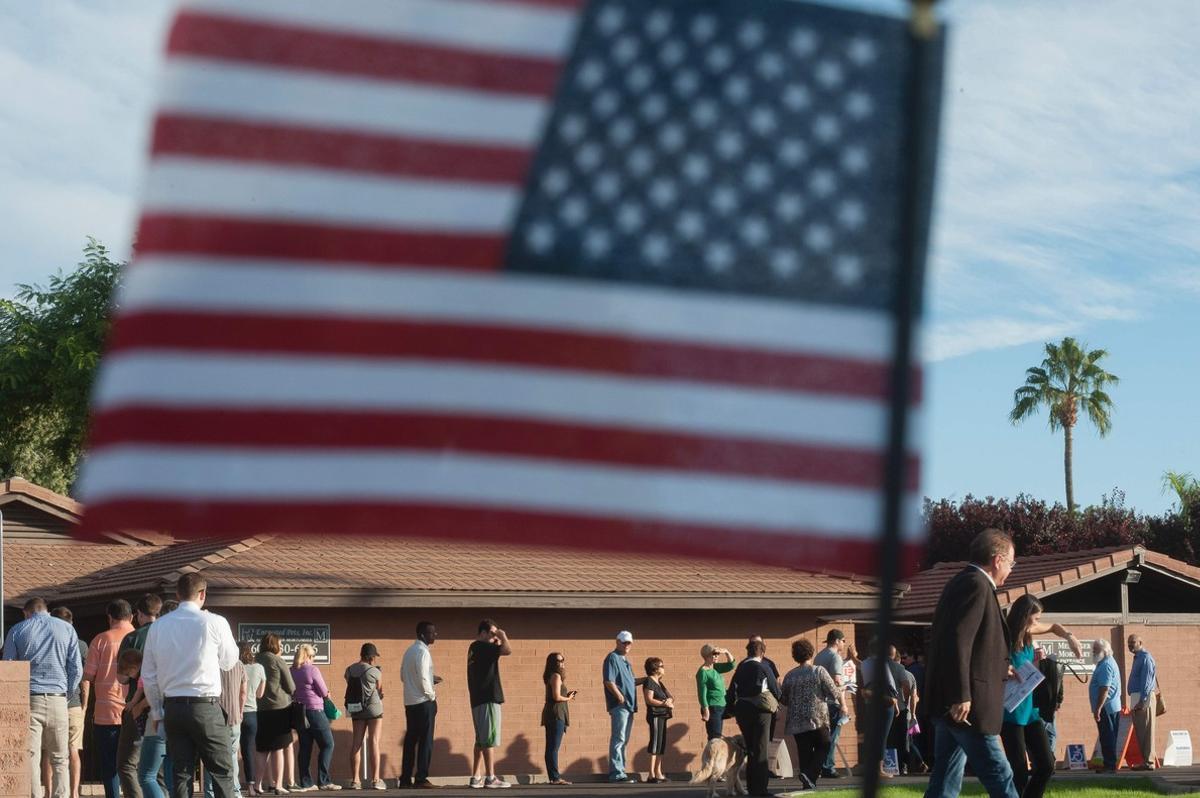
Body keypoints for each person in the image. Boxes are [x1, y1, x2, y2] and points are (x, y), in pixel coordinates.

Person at [923, 528, 1020, 798]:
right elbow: (958, 640)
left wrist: (1001, 667)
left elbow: (969, 644)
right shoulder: (976, 585)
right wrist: (961, 695)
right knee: (1000, 775)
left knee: (945, 779)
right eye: (1011, 563)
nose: (1011, 570)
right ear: (997, 559)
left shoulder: (961, 582)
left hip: (953, 705)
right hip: (968, 708)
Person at [141, 573, 240, 798]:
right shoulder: (214, 622)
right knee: (222, 771)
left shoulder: (158, 627)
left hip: (173, 706)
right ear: (203, 594)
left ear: (177, 594)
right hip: (205, 705)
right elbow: (229, 661)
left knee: (181, 772)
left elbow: (148, 674)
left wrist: (157, 713)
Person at [1000, 594, 1080, 798]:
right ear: (1025, 616)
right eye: (1035, 618)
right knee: (1018, 770)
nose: (1038, 623)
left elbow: (1054, 626)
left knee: (1046, 764)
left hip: (1031, 710)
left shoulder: (1028, 633)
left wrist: (1070, 637)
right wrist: (1003, 668)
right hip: (1010, 712)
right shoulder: (1004, 636)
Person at [3, 596, 82, 798]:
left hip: (29, 698)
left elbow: (9, 669)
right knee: (60, 758)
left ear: (26, 612)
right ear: (46, 609)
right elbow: (76, 669)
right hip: (58, 697)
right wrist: (67, 694)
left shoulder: (18, 630)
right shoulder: (67, 629)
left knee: (30, 755)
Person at [86, 599, 136, 798]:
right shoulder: (139, 637)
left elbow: (88, 675)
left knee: (109, 764)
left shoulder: (101, 639)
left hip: (105, 712)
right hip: (135, 708)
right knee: (135, 764)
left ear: (110, 618)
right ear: (131, 616)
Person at [118, 595, 163, 798]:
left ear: (139, 614)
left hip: (138, 705)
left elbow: (122, 677)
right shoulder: (167, 634)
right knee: (158, 767)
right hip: (165, 704)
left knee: (127, 763)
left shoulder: (133, 638)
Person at [780, 638, 841, 791]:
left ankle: (807, 784)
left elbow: (784, 700)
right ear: (810, 652)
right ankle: (808, 775)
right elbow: (834, 692)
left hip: (796, 721)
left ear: (795, 656)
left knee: (804, 753)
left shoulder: (789, 676)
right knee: (825, 745)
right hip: (817, 718)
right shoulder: (818, 670)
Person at [730, 638, 782, 797]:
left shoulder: (740, 668)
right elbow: (775, 689)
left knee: (751, 749)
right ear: (762, 653)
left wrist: (731, 710)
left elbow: (731, 691)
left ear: (748, 652)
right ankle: (760, 789)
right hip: (761, 711)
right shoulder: (764, 666)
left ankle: (752, 787)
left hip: (743, 711)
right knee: (761, 749)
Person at [48, 606, 89, 798]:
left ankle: (48, 792)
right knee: (73, 749)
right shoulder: (80, 645)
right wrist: (85, 704)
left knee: (50, 750)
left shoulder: (47, 642)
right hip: (74, 703)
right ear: (71, 623)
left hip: (52, 700)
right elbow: (84, 678)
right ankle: (74, 793)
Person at [467, 619, 512, 789]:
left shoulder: (474, 648)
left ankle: (475, 776)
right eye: (492, 633)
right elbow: (507, 650)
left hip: (477, 699)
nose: (494, 636)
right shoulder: (483, 647)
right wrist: (503, 636)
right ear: (483, 633)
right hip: (488, 698)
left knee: (480, 740)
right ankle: (490, 777)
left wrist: (496, 641)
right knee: (489, 739)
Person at [290, 644, 339, 791]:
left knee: (305, 747)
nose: (313, 659)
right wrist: (328, 694)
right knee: (328, 744)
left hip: (300, 712)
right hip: (315, 710)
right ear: (308, 656)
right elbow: (324, 692)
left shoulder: (291, 670)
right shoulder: (312, 669)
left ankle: (306, 782)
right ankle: (324, 781)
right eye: (312, 657)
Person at [400, 623, 441, 790]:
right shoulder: (423, 652)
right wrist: (431, 695)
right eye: (432, 632)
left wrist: (430, 680)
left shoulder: (409, 651)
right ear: (423, 634)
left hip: (410, 702)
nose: (435, 635)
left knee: (410, 741)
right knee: (426, 742)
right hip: (424, 702)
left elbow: (403, 675)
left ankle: (404, 779)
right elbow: (423, 678)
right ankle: (421, 778)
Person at [255, 634, 295, 796]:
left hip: (259, 709)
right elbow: (291, 686)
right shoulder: (278, 661)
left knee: (262, 749)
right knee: (278, 747)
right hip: (279, 708)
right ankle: (278, 785)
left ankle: (258, 784)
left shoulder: (255, 660)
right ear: (275, 645)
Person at [204, 655, 248, 798]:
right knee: (233, 757)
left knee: (210, 756)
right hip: (234, 718)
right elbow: (243, 692)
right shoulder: (239, 664)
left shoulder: (210, 663)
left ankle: (210, 793)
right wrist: (240, 712)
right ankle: (235, 792)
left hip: (214, 717)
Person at [346, 643, 385, 790]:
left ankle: (355, 780)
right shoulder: (375, 671)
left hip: (356, 708)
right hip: (374, 709)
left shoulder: (349, 670)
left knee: (356, 742)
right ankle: (376, 780)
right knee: (374, 742)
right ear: (372, 657)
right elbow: (380, 691)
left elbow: (351, 685)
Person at [860, 641, 899, 780]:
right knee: (882, 736)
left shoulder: (864, 663)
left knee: (871, 735)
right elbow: (889, 683)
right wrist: (895, 700)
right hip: (885, 702)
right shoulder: (881, 663)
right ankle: (879, 769)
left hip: (870, 702)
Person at [602, 631, 638, 783]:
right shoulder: (612, 658)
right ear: (617, 642)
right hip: (620, 706)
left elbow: (631, 681)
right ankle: (616, 773)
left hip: (629, 706)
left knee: (624, 740)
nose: (627, 645)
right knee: (619, 738)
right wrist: (619, 696)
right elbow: (609, 681)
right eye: (624, 642)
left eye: (629, 642)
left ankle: (621, 771)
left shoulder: (625, 661)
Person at [812, 630, 846, 779]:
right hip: (833, 703)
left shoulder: (819, 656)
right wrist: (843, 704)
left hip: (820, 702)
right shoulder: (835, 657)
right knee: (833, 736)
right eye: (843, 641)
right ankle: (828, 767)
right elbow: (837, 681)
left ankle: (819, 766)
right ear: (837, 641)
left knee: (823, 737)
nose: (844, 644)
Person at [541, 652, 575, 786]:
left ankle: (553, 777)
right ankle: (555, 778)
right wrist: (569, 698)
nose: (561, 662)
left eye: (563, 660)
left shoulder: (553, 676)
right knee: (553, 748)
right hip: (556, 714)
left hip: (553, 713)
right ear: (552, 663)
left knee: (551, 747)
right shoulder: (556, 676)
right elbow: (556, 697)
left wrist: (566, 695)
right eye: (558, 661)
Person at [1089, 639, 1121, 773]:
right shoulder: (1103, 663)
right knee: (1106, 736)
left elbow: (1104, 689)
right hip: (1107, 707)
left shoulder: (1106, 665)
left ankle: (1110, 765)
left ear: (1105, 651)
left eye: (1096, 650)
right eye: (1093, 649)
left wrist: (1098, 708)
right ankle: (1108, 763)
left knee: (1107, 736)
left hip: (1106, 708)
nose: (1093, 652)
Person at [1126, 634, 1158, 770]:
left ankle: (1149, 762)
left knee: (1147, 731)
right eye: (1128, 643)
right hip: (1137, 697)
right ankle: (1146, 761)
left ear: (1140, 642)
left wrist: (1142, 700)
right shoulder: (1137, 658)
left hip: (1143, 698)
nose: (1130, 645)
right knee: (1141, 731)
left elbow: (1147, 681)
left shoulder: (1145, 658)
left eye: (1133, 642)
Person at [642, 657, 674, 783]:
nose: (663, 667)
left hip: (663, 716)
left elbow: (670, 696)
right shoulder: (649, 681)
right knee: (655, 744)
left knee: (661, 744)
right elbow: (649, 699)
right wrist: (664, 704)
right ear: (655, 668)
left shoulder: (659, 682)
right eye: (662, 665)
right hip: (655, 715)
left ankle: (658, 772)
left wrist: (669, 701)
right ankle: (651, 774)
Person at [241, 644, 267, 797]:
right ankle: (251, 787)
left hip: (235, 713)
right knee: (248, 751)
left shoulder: (235, 667)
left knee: (231, 750)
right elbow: (260, 694)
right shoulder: (259, 668)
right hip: (251, 713)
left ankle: (233, 786)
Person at [1030, 648, 1064, 763]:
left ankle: (1049, 756)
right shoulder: (1032, 667)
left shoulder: (1051, 669)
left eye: (1041, 654)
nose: (1039, 657)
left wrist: (1058, 701)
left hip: (1048, 705)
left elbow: (1059, 686)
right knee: (1039, 733)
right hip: (1035, 705)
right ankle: (1040, 760)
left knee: (1050, 732)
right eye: (1036, 654)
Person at [696, 644, 735, 741]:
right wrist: (706, 711)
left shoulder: (715, 667)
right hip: (712, 708)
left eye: (718, 654)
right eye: (714, 654)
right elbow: (702, 694)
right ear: (707, 656)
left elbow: (731, 665)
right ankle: (711, 756)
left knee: (717, 737)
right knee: (714, 738)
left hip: (722, 705)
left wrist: (726, 651)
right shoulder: (703, 672)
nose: (717, 656)